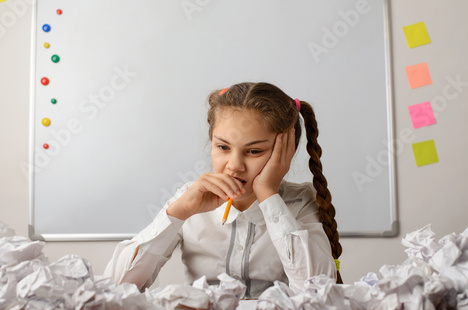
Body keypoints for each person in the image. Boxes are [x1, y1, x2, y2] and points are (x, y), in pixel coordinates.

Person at [104, 82, 342, 298]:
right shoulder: (190, 199)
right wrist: (177, 213)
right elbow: (115, 288)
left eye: (254, 151)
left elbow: (319, 294)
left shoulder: (300, 202)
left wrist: (268, 195)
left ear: (286, 152)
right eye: (223, 147)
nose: (234, 166)